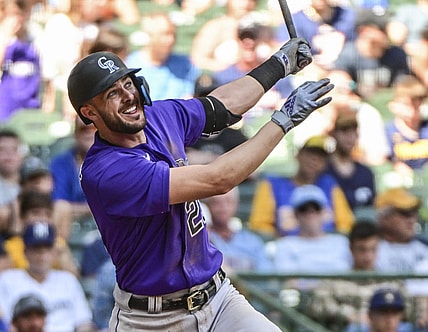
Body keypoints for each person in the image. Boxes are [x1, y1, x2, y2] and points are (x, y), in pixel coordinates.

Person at [65, 32, 333, 330]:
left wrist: (280, 63)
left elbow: (223, 105)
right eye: (111, 93)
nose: (128, 95)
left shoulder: (159, 116)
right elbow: (219, 179)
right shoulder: (106, 171)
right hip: (151, 319)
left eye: (127, 84)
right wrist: (283, 120)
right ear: (89, 113)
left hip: (218, 300)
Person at [249, 135, 354, 239]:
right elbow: (259, 225)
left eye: (320, 157)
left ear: (325, 163)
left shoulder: (330, 185)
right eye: (310, 154)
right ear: (298, 155)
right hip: (287, 247)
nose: (314, 160)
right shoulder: (273, 184)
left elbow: (346, 225)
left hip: (325, 248)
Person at [0, 222, 94, 331]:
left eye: (47, 248)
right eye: (36, 248)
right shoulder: (8, 280)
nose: (42, 254)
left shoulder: (68, 280)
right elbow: (5, 323)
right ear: (25, 252)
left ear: (54, 252)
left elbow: (84, 322)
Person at [271, 184, 352, 274]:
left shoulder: (341, 243)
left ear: (324, 212)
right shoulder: (285, 245)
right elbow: (288, 281)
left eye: (316, 208)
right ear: (295, 214)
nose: (310, 213)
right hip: (303, 288)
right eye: (303, 209)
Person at [333, 9, 410, 100]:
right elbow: (340, 84)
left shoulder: (397, 54)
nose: (388, 32)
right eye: (382, 29)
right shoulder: (348, 54)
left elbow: (405, 87)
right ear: (364, 31)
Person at [126, 12, 200, 100]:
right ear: (150, 35)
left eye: (173, 34)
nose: (171, 39)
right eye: (165, 34)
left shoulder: (186, 64)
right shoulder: (130, 67)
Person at [205, 186, 273, 275]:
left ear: (236, 204)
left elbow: (266, 276)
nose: (222, 207)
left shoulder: (252, 241)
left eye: (228, 201)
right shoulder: (204, 239)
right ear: (208, 206)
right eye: (216, 202)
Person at [49, 117, 96, 241]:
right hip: (68, 228)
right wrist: (92, 208)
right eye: (83, 129)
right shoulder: (60, 163)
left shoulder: (116, 160)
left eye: (93, 128)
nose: (89, 133)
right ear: (75, 133)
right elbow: (59, 204)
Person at [326, 111, 376, 214]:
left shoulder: (366, 173)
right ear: (334, 133)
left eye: (353, 132)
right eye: (344, 131)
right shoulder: (323, 170)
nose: (349, 137)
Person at [0, 0, 41, 121]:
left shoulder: (33, 37)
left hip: (29, 109)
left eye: (20, 14)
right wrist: (5, 35)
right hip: (6, 111)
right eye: (13, 14)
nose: (18, 19)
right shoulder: (5, 38)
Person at [190, 0, 258, 72]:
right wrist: (227, 69)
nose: (246, 3)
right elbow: (198, 59)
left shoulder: (262, 29)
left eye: (251, 0)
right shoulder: (215, 27)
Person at [375, 187, 428, 273]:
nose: (412, 220)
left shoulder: (424, 246)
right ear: (385, 218)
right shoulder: (369, 250)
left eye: (414, 212)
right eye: (405, 213)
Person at [384, 75, 428, 179]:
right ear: (393, 105)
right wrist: (395, 166)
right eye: (407, 104)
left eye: (416, 104)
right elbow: (382, 160)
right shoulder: (387, 131)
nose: (412, 110)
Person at [344, 287, 415, 332]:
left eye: (395, 313)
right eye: (383, 313)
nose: (389, 320)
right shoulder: (356, 330)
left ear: (401, 315)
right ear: (370, 315)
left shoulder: (410, 329)